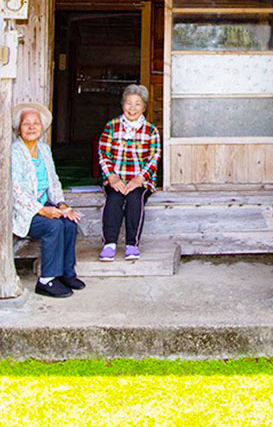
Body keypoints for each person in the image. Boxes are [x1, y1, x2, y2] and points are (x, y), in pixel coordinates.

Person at [12, 102, 84, 298]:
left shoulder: (44, 149)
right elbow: (15, 190)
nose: (31, 127)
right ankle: (47, 280)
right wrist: (42, 210)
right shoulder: (15, 151)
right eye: (26, 123)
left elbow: (53, 180)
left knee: (69, 223)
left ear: (42, 127)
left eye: (36, 123)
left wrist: (61, 203)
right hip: (23, 210)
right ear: (19, 127)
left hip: (44, 203)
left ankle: (66, 273)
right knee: (54, 227)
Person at [97, 84, 161, 262]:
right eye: (128, 103)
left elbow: (154, 157)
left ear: (144, 107)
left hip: (141, 180)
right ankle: (109, 244)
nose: (132, 108)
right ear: (122, 104)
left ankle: (132, 244)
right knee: (114, 199)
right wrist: (112, 177)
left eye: (137, 104)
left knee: (134, 198)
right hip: (115, 178)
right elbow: (103, 153)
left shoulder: (151, 130)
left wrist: (138, 180)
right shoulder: (112, 126)